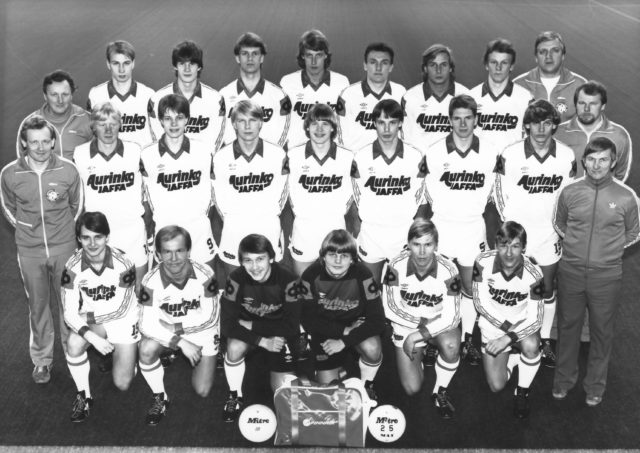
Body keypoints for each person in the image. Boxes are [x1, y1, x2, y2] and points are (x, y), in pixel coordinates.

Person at [552, 137, 640, 407]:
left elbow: (634, 233)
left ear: (613, 162)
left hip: (606, 276)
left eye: (603, 159)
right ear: (584, 161)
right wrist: (576, 248)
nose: (597, 165)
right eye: (591, 159)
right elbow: (559, 224)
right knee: (568, 328)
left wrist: (609, 252)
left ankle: (595, 386)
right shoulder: (569, 192)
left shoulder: (626, 196)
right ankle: (563, 381)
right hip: (571, 271)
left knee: (602, 332)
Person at [1, 116, 83, 384]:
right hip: (30, 250)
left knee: (69, 303)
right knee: (38, 306)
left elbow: (77, 206)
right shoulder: (10, 173)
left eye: (45, 141)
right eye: (34, 142)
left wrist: (64, 232)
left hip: (64, 247)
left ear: (53, 142)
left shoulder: (68, 170)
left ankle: (72, 354)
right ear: (24, 143)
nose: (40, 147)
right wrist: (28, 230)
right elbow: (8, 208)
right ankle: (42, 360)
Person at [494, 99, 576, 368]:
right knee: (514, 287)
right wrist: (510, 231)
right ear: (526, 125)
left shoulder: (566, 156)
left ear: (554, 125)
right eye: (535, 123)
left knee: (547, 289)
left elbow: (568, 197)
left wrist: (560, 229)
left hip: (549, 235)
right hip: (518, 237)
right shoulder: (510, 154)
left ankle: (544, 339)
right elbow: (498, 195)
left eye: (547, 123)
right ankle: (514, 336)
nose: (541, 129)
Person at [424, 94, 500, 366]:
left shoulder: (490, 152)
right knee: (436, 285)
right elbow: (426, 193)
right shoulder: (434, 152)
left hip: (472, 228)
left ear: (476, 119)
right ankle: (434, 338)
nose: (463, 124)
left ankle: (468, 338)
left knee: (470, 286)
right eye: (457, 118)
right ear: (449, 120)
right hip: (443, 226)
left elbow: (494, 194)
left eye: (468, 118)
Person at [138, 225, 220, 425]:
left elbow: (211, 317)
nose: (174, 258)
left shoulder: (205, 273)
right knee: (146, 349)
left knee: (202, 390)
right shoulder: (149, 281)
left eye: (179, 251)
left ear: (188, 251)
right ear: (158, 254)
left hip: (201, 331)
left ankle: (179, 352)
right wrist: (180, 341)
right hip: (169, 334)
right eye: (167, 252)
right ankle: (160, 397)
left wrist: (176, 328)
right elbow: (146, 324)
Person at [61, 212, 139, 422]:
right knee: (74, 343)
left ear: (107, 237)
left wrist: (86, 317)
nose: (92, 243)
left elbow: (121, 309)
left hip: (123, 320)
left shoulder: (124, 263)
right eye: (86, 238)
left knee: (123, 383)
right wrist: (92, 337)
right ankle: (84, 396)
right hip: (95, 321)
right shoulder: (71, 267)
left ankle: (127, 354)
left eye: (98, 237)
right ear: (79, 239)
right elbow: (69, 313)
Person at [382, 219, 461, 419]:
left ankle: (440, 390)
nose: (422, 251)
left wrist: (419, 335)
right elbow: (390, 309)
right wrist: (420, 328)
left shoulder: (450, 269)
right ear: (408, 244)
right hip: (407, 324)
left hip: (439, 324)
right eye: (417, 244)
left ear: (436, 245)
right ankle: (425, 350)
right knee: (412, 388)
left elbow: (452, 317)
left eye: (428, 244)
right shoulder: (394, 266)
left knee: (451, 345)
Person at [220, 234, 301, 422]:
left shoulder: (289, 280)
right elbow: (227, 326)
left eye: (260, 259)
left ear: (271, 258)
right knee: (234, 348)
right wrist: (262, 341)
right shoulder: (235, 279)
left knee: (286, 401)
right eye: (248, 260)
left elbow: (291, 326)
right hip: (253, 335)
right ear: (241, 262)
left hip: (280, 335)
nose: (254, 267)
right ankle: (234, 395)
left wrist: (251, 325)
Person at [300, 229, 385, 401]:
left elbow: (378, 320)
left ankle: (367, 384)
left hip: (355, 326)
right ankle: (339, 367)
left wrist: (344, 342)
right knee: (330, 395)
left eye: (344, 256)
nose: (337, 261)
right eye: (332, 254)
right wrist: (343, 331)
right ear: (323, 257)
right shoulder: (310, 276)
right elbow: (307, 319)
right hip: (325, 329)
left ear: (353, 259)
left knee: (373, 348)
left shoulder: (364, 275)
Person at [473, 221, 544, 419]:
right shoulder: (482, 262)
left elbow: (536, 318)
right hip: (493, 325)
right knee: (496, 386)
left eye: (515, 246)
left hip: (521, 325)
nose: (509, 253)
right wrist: (506, 329)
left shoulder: (534, 273)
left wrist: (509, 337)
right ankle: (513, 360)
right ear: (496, 245)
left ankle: (522, 390)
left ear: (524, 248)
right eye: (504, 245)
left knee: (531, 345)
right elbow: (480, 303)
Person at [74, 102, 147, 294]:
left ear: (120, 125)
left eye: (113, 124)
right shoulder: (80, 154)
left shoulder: (135, 151)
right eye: (102, 124)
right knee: (104, 291)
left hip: (132, 229)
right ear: (93, 126)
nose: (108, 129)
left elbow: (147, 189)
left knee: (140, 288)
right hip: (98, 234)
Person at [351, 99, 426, 284]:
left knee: (402, 289)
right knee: (369, 288)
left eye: (392, 122)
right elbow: (354, 197)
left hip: (403, 231)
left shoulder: (415, 156)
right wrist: (358, 228)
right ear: (374, 124)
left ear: (400, 123)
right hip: (371, 233)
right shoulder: (360, 157)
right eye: (381, 123)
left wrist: (416, 231)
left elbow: (422, 198)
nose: (386, 129)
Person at [212, 100, 288, 276]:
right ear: (233, 124)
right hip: (234, 228)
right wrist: (235, 218)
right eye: (241, 121)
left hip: (267, 226)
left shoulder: (277, 154)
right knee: (235, 283)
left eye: (252, 120)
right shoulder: (220, 158)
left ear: (260, 123)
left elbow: (283, 194)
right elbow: (218, 198)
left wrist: (267, 214)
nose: (247, 126)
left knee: (269, 284)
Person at [141, 93, 217, 270]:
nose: (174, 124)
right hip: (165, 231)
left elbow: (213, 193)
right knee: (167, 285)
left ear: (187, 119)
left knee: (206, 283)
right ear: (160, 121)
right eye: (168, 118)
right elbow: (145, 197)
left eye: (179, 118)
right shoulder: (146, 155)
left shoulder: (204, 151)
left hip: (199, 230)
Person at [286, 103, 354, 276]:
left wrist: (336, 212)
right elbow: (287, 190)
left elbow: (353, 192)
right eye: (314, 123)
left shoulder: (348, 157)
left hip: (335, 227)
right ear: (307, 127)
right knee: (303, 284)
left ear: (333, 128)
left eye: (325, 123)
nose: (319, 129)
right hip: (304, 229)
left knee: (335, 284)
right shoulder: (292, 156)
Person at [148, 40, 226, 152]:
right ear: (175, 66)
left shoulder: (216, 100)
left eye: (192, 64)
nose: (187, 69)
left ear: (199, 67)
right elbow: (158, 141)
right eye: (182, 63)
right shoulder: (156, 99)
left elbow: (215, 142)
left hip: (202, 161)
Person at [279, 29, 350, 148]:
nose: (313, 61)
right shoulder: (287, 83)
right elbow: (280, 122)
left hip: (332, 152)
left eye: (319, 55)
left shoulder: (342, 83)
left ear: (326, 55)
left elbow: (346, 123)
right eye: (309, 55)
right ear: (302, 56)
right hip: (297, 151)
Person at [220, 32, 291, 148]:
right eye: (245, 53)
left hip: (269, 158)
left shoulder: (280, 97)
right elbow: (218, 133)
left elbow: (286, 134)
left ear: (261, 58)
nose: (250, 58)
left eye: (255, 53)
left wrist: (271, 155)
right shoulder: (223, 95)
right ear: (237, 58)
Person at [555, 80, 632, 182]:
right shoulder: (557, 133)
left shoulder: (619, 135)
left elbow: (621, 174)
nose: (586, 109)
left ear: (603, 106)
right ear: (575, 104)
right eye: (582, 103)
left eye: (593, 104)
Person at [336, 42, 406, 152]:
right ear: (365, 65)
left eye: (384, 63)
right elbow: (340, 135)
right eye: (373, 62)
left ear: (391, 67)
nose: (378, 68)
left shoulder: (401, 93)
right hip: (357, 159)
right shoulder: (348, 95)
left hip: (392, 158)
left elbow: (405, 132)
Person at [87, 40, 156, 148]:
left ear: (133, 63)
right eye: (116, 63)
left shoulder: (148, 94)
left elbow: (157, 132)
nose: (121, 69)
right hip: (110, 156)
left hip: (141, 156)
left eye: (126, 63)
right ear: (108, 64)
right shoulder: (96, 95)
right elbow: (91, 134)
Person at [469, 38, 533, 153]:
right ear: (486, 65)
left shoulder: (525, 98)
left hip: (512, 161)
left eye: (504, 63)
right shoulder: (471, 97)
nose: (498, 68)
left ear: (511, 66)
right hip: (479, 162)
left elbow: (532, 137)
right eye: (494, 62)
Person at [402, 44, 469, 151]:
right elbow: (407, 139)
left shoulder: (466, 95)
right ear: (425, 68)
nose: (438, 70)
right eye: (433, 65)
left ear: (450, 68)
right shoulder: (410, 98)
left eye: (443, 65)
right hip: (421, 159)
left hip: (456, 159)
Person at [16, 70, 92, 160]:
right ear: (45, 96)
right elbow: (22, 161)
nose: (60, 100)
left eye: (65, 94)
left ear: (71, 95)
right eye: (54, 94)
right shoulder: (30, 122)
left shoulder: (88, 119)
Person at [513, 31, 586, 123]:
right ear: (536, 57)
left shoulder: (580, 85)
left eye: (555, 51)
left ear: (563, 56)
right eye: (543, 52)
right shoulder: (517, 85)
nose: (548, 56)